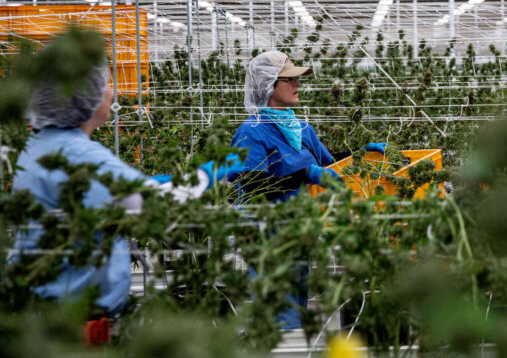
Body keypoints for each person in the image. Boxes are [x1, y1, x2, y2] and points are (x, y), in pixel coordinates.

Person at [11, 49, 242, 317]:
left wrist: (145, 185)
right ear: (84, 95)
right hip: (69, 312)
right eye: (106, 86)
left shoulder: (45, 144)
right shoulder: (77, 155)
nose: (112, 93)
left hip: (50, 303)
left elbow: (116, 199)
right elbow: (156, 205)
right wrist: (207, 175)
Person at [232, 50, 384, 201]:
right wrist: (305, 175)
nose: (297, 83)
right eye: (290, 78)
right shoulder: (251, 132)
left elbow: (328, 164)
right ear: (266, 83)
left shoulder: (302, 128)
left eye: (297, 78)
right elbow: (254, 187)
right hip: (271, 221)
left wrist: (360, 153)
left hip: (309, 219)